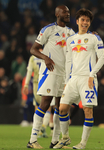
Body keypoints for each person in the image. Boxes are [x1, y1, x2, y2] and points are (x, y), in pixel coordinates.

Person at [53, 8, 104, 149]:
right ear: (77, 21)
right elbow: (68, 61)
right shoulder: (70, 40)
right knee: (62, 108)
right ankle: (65, 138)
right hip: (73, 79)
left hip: (87, 79)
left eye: (87, 20)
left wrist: (91, 74)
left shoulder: (95, 38)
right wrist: (66, 81)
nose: (85, 22)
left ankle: (82, 143)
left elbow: (102, 58)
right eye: (82, 20)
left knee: (88, 111)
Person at [27, 5, 75, 149]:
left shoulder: (71, 32)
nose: (68, 14)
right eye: (65, 12)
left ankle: (55, 141)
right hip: (50, 72)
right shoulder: (48, 29)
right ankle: (32, 140)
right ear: (57, 14)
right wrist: (45, 58)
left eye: (68, 12)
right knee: (45, 103)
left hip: (63, 74)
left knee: (60, 107)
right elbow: (33, 49)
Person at [23, 55, 51, 137]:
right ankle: (44, 127)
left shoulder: (33, 57)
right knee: (48, 106)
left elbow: (29, 71)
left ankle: (38, 130)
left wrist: (26, 84)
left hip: (36, 84)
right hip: (47, 81)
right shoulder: (47, 54)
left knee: (38, 106)